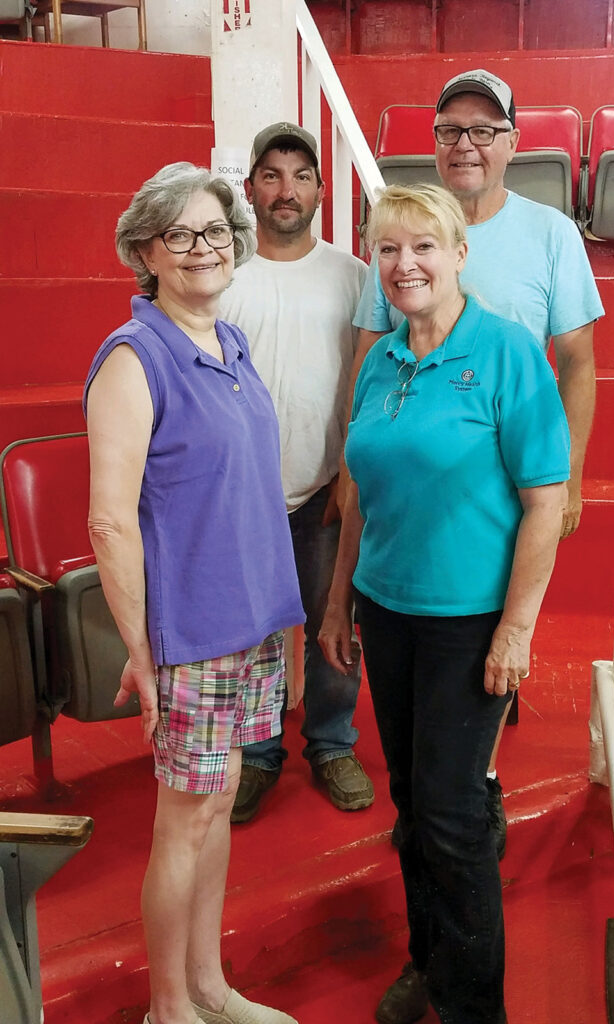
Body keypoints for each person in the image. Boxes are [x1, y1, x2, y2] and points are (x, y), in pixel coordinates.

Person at [319, 183, 570, 1024]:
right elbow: (358, 492)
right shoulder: (382, 360)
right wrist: (336, 603)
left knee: (455, 816)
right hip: (386, 613)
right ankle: (428, 961)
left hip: (470, 623)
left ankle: (472, 1009)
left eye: (423, 246)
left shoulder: (505, 352)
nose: (404, 264)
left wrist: (517, 629)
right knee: (413, 804)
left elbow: (544, 500)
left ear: (459, 254)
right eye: (388, 250)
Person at [351, 68, 604, 857]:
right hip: (417, 501)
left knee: (487, 671)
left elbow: (579, 363)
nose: (466, 144)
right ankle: (448, 816)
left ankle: (466, 811)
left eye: (483, 131)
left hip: (506, 491)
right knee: (438, 719)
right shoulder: (397, 239)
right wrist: (349, 472)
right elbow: (369, 356)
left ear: (512, 145)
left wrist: (570, 479)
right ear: (432, 144)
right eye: (451, 130)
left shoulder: (551, 234)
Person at [84, 162, 303, 1024]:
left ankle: (210, 987)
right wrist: (142, 651)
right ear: (147, 250)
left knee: (215, 806)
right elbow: (110, 522)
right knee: (184, 819)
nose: (202, 247)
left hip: (247, 624)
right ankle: (168, 1007)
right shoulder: (135, 358)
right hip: (190, 635)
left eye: (215, 231)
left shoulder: (230, 341)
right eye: (180, 234)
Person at [219, 122, 374, 821]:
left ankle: (333, 743)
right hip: (241, 494)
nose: (287, 189)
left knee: (334, 621)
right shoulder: (222, 277)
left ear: (319, 188)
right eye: (272, 175)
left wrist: (351, 472)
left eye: (301, 175)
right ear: (250, 188)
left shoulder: (355, 278)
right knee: (251, 629)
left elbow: (373, 382)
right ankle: (256, 753)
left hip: (327, 487)